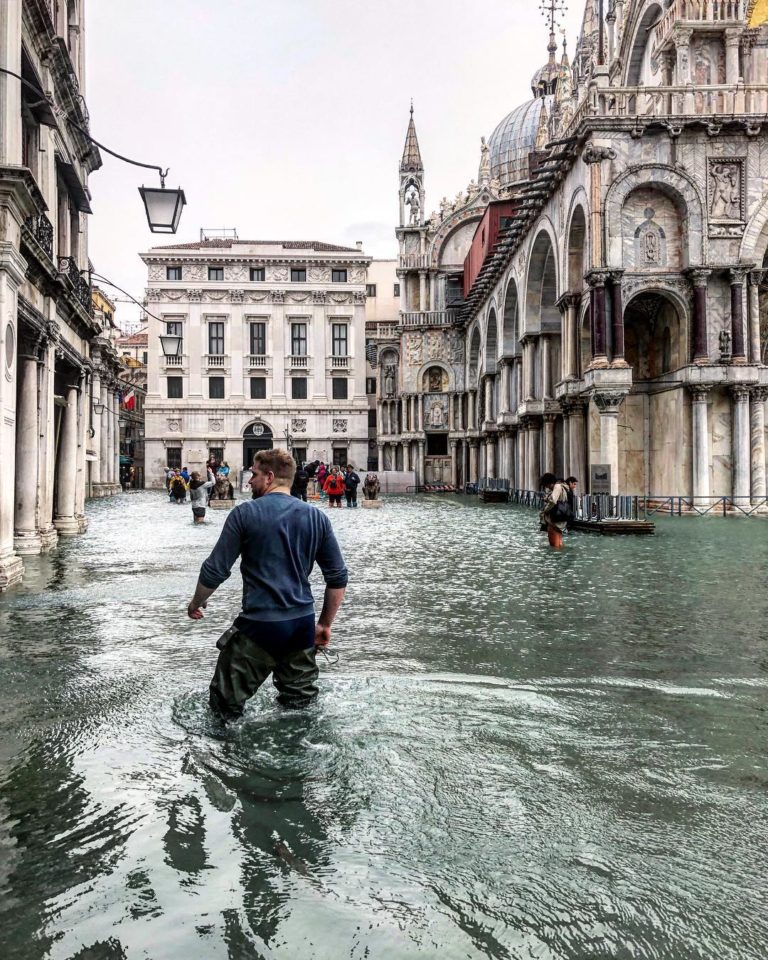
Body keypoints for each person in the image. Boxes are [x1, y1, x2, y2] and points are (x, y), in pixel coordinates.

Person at [186, 449, 348, 719]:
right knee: (300, 709)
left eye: (255, 474)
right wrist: (324, 624)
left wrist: (195, 602)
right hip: (300, 626)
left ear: (270, 477)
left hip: (258, 626)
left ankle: (228, 759)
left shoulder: (244, 514)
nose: (249, 481)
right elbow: (338, 577)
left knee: (223, 709)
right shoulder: (317, 517)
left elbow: (215, 569)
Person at [539, 473, 571, 550]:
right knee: (559, 543)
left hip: (554, 520)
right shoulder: (561, 487)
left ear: (548, 482)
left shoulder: (557, 486)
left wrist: (545, 510)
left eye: (545, 484)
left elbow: (553, 501)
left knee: (554, 546)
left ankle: (555, 560)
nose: (546, 487)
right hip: (560, 518)